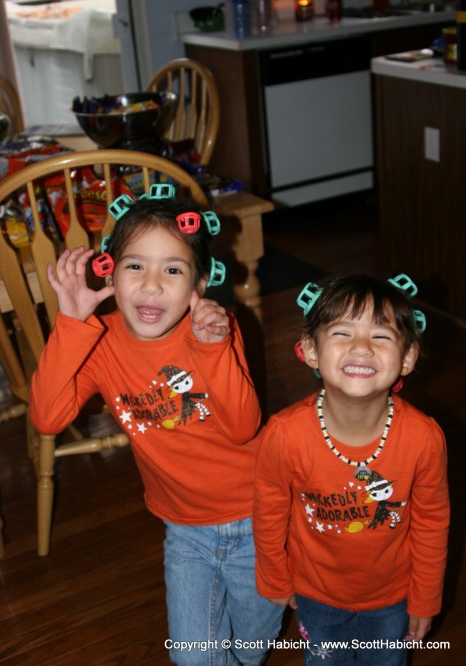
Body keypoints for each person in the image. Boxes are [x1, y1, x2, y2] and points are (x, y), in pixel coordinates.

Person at [30, 185, 284, 666]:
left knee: (252, 646)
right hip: (184, 528)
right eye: (134, 266)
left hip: (260, 519)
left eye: (172, 269)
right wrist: (69, 322)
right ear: (107, 272)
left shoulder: (211, 329)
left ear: (198, 287)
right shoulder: (97, 340)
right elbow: (47, 416)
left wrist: (214, 350)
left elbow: (243, 427)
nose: (150, 285)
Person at [253, 274, 449, 665]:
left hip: (393, 596)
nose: (361, 348)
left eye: (381, 337)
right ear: (309, 350)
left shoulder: (424, 438)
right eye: (342, 333)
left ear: (408, 358)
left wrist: (426, 598)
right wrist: (274, 578)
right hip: (316, 592)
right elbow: (269, 511)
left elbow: (432, 522)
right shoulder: (285, 434)